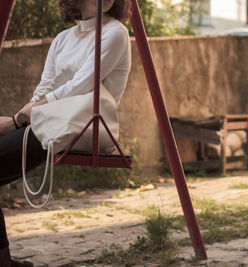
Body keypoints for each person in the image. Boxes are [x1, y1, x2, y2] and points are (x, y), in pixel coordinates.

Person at [0, 0, 131, 265]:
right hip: (47, 123)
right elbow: (44, 88)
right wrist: (18, 121)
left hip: (79, 125)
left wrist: (15, 121)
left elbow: (80, 86)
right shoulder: (62, 39)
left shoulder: (115, 32)